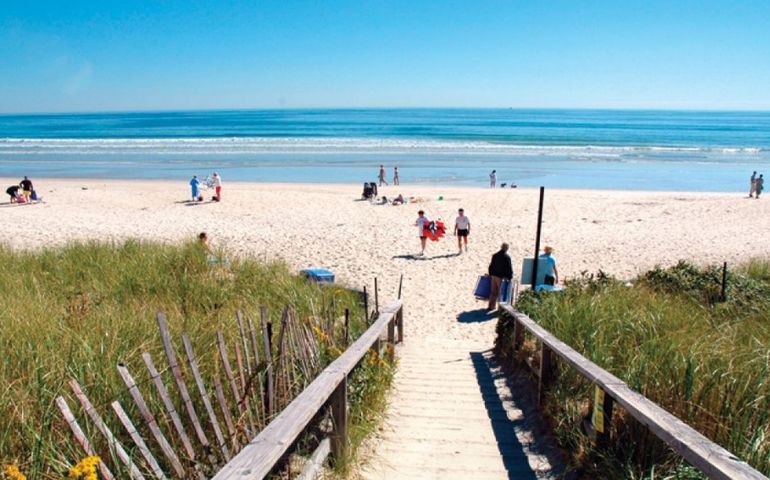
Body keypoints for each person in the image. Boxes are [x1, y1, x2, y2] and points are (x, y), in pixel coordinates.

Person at [488, 243, 513, 311]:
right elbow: (509, 268)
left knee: (493, 292)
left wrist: (490, 274)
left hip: (494, 275)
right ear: (506, 248)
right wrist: (510, 277)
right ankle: (500, 308)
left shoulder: (495, 255)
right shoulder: (507, 257)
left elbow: (491, 265)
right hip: (501, 277)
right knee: (501, 293)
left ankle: (491, 306)